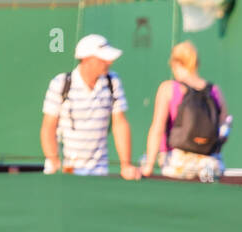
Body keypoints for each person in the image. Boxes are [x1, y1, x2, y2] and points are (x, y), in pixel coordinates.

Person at [41, 33, 141, 179]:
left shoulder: (113, 81)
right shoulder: (60, 83)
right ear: (87, 59)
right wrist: (54, 160)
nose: (109, 62)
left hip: (99, 172)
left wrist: (125, 165)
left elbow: (120, 123)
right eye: (102, 59)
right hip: (66, 172)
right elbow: (48, 126)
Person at [141, 41, 229, 181]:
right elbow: (224, 128)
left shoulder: (168, 88)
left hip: (176, 164)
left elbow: (157, 128)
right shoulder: (215, 91)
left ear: (175, 63)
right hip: (210, 165)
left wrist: (148, 165)